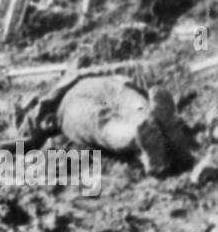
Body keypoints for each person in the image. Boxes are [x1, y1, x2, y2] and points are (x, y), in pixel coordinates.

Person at [19, 69, 194, 176]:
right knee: (131, 107)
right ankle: (157, 122)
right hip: (101, 84)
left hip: (72, 107)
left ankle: (139, 134)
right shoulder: (68, 79)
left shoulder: (41, 114)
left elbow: (26, 139)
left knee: (104, 126)